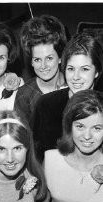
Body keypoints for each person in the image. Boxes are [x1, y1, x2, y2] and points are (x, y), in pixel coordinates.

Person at [32, 32, 103, 163]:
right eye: (71, 69)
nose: (76, 77)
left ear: (97, 71)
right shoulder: (46, 105)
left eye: (85, 69)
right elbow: (36, 154)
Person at [44, 89, 103, 202]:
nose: (87, 136)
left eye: (97, 128)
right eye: (80, 126)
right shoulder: (50, 159)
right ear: (69, 126)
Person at [14, 14, 67, 123]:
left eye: (49, 58)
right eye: (37, 60)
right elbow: (22, 136)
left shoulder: (73, 84)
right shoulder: (25, 95)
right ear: (31, 62)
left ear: (60, 58)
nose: (43, 66)